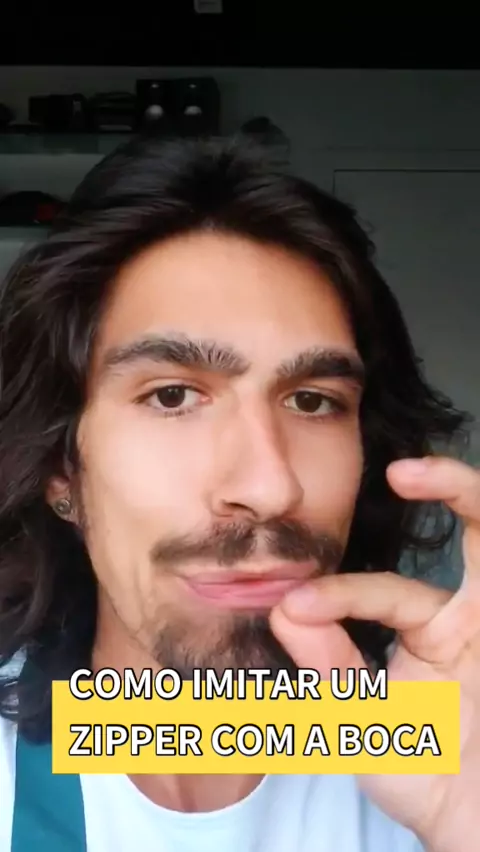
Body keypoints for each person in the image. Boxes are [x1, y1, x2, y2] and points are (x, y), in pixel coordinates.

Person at [0, 136, 478, 852]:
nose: (271, 487)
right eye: (172, 396)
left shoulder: (438, 746)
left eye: (313, 401)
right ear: (61, 470)